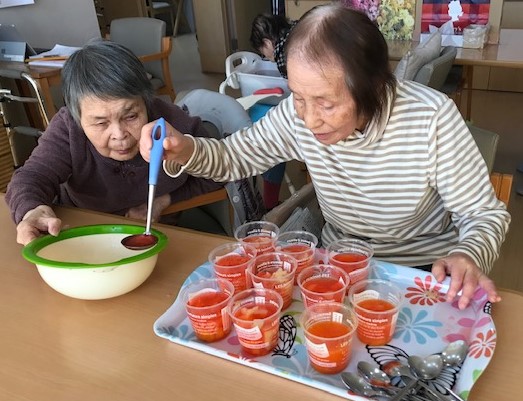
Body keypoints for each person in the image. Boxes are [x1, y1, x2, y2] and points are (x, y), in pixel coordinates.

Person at [139, 4, 510, 310]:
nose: (309, 119)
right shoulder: (297, 115)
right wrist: (185, 148)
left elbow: (482, 214)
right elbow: (235, 157)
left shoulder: (430, 118)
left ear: (374, 88)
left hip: (421, 271)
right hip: (336, 265)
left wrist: (469, 254)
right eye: (299, 97)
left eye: (326, 104)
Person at [5, 40, 223, 245]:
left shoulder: (172, 124)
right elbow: (32, 176)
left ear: (146, 102)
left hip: (158, 232)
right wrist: (32, 210)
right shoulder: (68, 128)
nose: (119, 135)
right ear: (77, 116)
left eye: (131, 116)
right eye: (101, 123)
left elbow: (219, 170)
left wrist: (164, 200)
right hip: (82, 232)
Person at [250, 13, 297, 209]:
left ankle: (269, 203)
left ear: (267, 42)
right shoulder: (296, 29)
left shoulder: (282, 52)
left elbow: (294, 90)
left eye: (263, 52)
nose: (266, 57)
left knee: (270, 134)